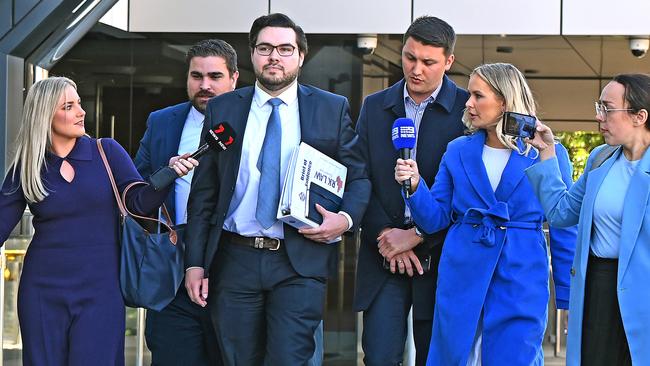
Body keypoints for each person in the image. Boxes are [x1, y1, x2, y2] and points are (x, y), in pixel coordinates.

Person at [184, 13, 370, 365]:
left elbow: (358, 177)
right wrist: (195, 263)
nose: (274, 56)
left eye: (285, 49)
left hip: (298, 260)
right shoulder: (224, 108)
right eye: (265, 48)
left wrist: (344, 220)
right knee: (238, 358)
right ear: (252, 55)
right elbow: (204, 194)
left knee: (290, 358)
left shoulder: (331, 108)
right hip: (233, 258)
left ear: (301, 56)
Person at [0, 77, 196, 365]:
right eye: (69, 106)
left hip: (101, 291)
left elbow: (137, 202)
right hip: (42, 292)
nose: (82, 112)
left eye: (79, 103)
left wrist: (169, 173)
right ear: (45, 115)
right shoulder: (27, 166)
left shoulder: (106, 151)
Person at [394, 63, 577, 365]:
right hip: (461, 272)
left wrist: (568, 292)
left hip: (521, 273)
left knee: (516, 355)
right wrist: (414, 186)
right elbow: (435, 218)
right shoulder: (457, 150)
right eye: (470, 95)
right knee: (455, 355)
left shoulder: (547, 152)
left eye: (478, 96)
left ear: (504, 101)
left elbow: (563, 222)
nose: (468, 103)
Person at [353, 16, 468, 365]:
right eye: (409, 57)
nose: (416, 69)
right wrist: (386, 235)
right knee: (379, 356)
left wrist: (416, 236)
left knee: (436, 357)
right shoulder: (375, 106)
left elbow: (466, 193)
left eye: (428, 62)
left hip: (440, 258)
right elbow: (359, 177)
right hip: (382, 255)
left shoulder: (467, 110)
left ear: (448, 61)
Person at [526, 73, 650, 366]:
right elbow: (560, 212)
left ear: (639, 116)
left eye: (607, 108)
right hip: (598, 286)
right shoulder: (600, 158)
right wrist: (546, 152)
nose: (598, 117)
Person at [134, 39, 239, 366]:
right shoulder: (162, 121)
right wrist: (165, 175)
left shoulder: (252, 119)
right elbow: (136, 192)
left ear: (234, 78)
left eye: (215, 76)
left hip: (233, 265)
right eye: (197, 76)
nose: (205, 85)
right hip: (174, 270)